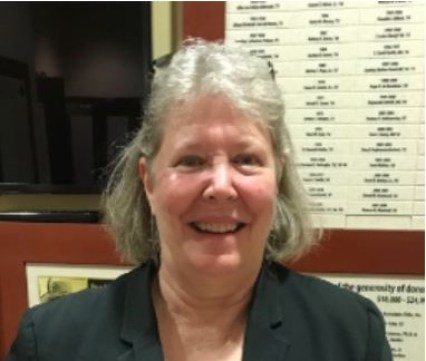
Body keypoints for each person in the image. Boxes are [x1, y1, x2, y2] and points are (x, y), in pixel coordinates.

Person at [6, 39, 392, 361]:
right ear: (149, 182)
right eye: (191, 160)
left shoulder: (352, 336)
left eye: (247, 159)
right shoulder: (51, 343)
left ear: (278, 177)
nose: (221, 186)